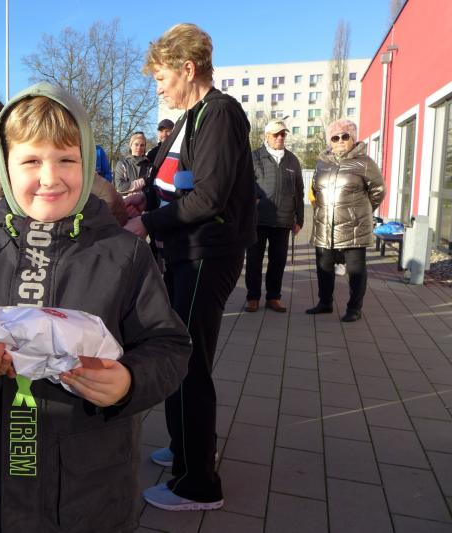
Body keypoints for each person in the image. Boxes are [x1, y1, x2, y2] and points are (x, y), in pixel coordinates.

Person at [0, 82, 190, 533]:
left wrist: (129, 380)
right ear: (5, 167)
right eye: (31, 161)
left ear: (87, 164)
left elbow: (170, 346)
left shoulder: (125, 256)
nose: (50, 178)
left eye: (67, 159)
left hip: (90, 490)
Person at [124, 23, 257, 511]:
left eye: (161, 78)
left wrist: (145, 224)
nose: (158, 88)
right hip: (185, 253)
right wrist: (142, 198)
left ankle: (198, 483)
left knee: (187, 361)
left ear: (187, 68)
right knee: (181, 355)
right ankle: (186, 447)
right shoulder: (191, 117)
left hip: (206, 255)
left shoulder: (219, 113)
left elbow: (207, 197)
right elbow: (168, 181)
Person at [306, 119, 385, 322]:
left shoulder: (365, 162)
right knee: (324, 266)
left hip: (354, 226)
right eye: (335, 137)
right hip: (325, 225)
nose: (340, 140)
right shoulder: (322, 163)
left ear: (353, 138)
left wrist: (360, 212)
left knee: (355, 269)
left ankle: (354, 308)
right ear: (330, 141)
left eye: (345, 136)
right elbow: (315, 189)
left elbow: (378, 191)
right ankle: (325, 302)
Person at [244, 119, 304, 313]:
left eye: (283, 134)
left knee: (278, 262)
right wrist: (252, 199)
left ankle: (273, 297)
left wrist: (300, 219)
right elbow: (243, 184)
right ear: (267, 136)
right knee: (254, 260)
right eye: (276, 134)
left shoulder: (292, 160)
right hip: (258, 219)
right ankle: (253, 297)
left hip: (283, 219)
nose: (280, 137)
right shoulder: (254, 157)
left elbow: (299, 190)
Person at [114, 132, 152, 196]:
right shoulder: (122, 163)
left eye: (142, 145)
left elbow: (150, 187)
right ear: (131, 145)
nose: (139, 148)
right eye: (136, 144)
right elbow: (120, 186)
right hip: (126, 200)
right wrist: (143, 181)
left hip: (145, 200)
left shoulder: (149, 165)